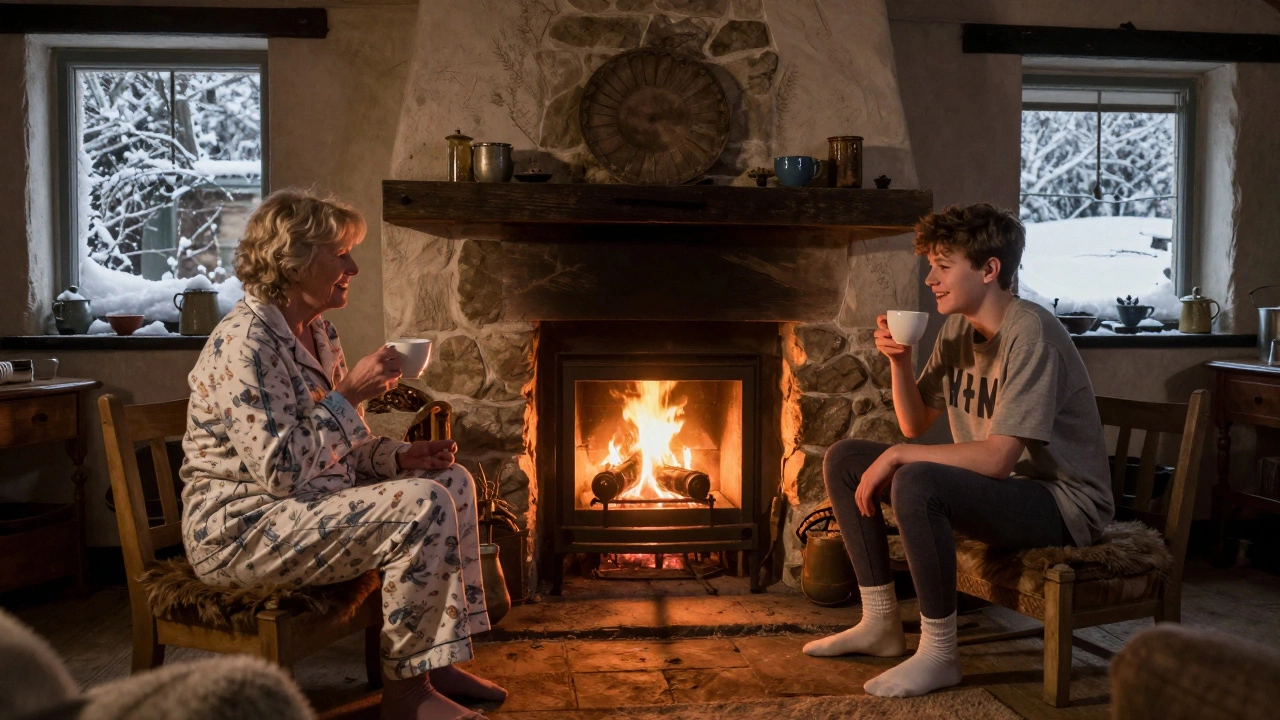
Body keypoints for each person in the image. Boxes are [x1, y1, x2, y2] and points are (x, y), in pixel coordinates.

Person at [180, 189, 505, 720]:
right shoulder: (246, 345)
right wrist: (350, 394)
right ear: (295, 260)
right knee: (421, 505)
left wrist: (402, 457)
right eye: (341, 253)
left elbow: (337, 449)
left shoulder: (319, 332)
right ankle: (407, 696)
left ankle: (435, 660)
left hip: (307, 508)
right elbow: (283, 471)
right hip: (242, 530)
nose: (353, 266)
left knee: (452, 482)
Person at [802, 203, 1114, 698]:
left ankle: (939, 654)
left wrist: (903, 456)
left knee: (917, 477)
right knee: (845, 459)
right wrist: (899, 363)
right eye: (931, 265)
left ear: (990, 269)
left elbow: (996, 459)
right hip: (1004, 491)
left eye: (943, 266)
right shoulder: (956, 329)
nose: (930, 279)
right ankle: (881, 623)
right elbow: (914, 422)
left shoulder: (1029, 333)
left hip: (1061, 505)